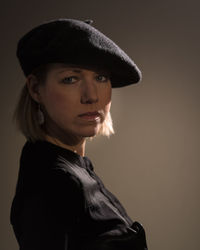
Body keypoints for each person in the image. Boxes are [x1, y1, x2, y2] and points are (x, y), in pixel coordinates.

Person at [10, 18, 148, 250]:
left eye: (101, 78)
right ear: (35, 89)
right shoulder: (55, 183)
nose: (91, 96)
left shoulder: (70, 165)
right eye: (71, 79)